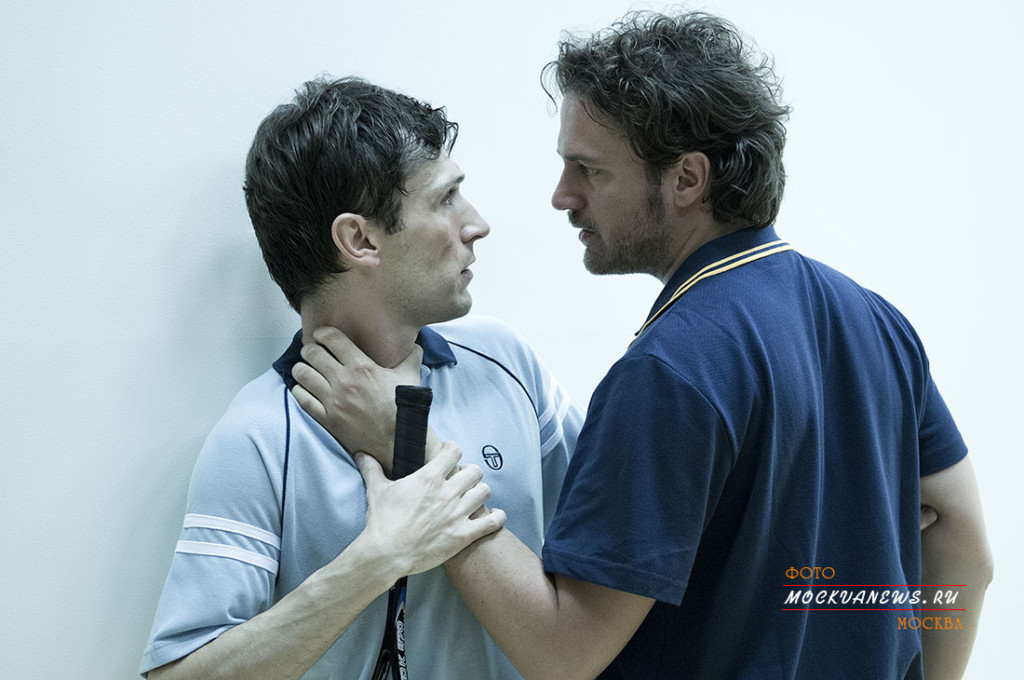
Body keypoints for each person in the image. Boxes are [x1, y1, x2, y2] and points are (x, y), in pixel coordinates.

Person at [293, 11, 993, 680]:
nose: (563, 195)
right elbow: (965, 548)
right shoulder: (877, 321)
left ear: (687, 179)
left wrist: (409, 448)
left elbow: (561, 653)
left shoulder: (672, 370)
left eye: (589, 170)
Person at [140, 76, 581, 680]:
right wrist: (373, 561)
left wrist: (405, 443)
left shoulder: (510, 365)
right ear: (360, 239)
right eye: (446, 199)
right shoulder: (259, 437)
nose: (476, 224)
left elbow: (612, 548)